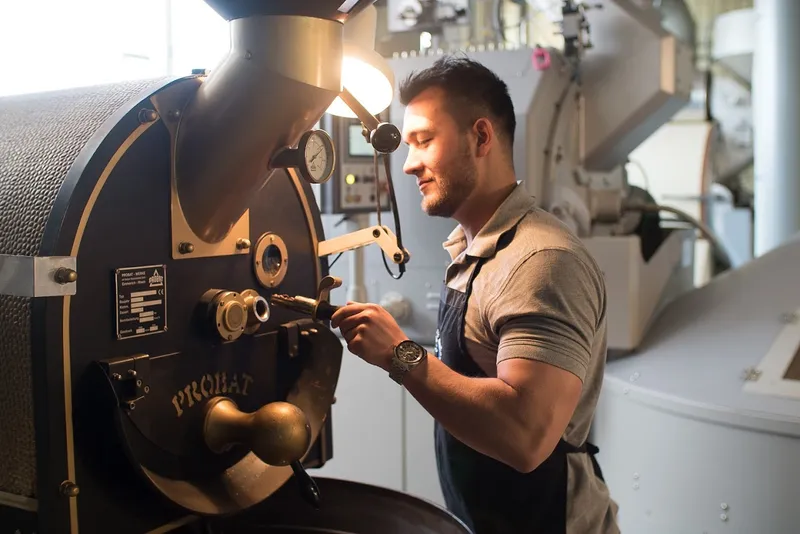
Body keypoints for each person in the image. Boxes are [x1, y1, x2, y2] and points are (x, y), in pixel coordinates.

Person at [330, 55, 619, 534]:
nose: (408, 164)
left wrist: (401, 356)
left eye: (424, 140)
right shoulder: (474, 249)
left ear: (481, 137)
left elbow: (526, 436)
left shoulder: (540, 260)